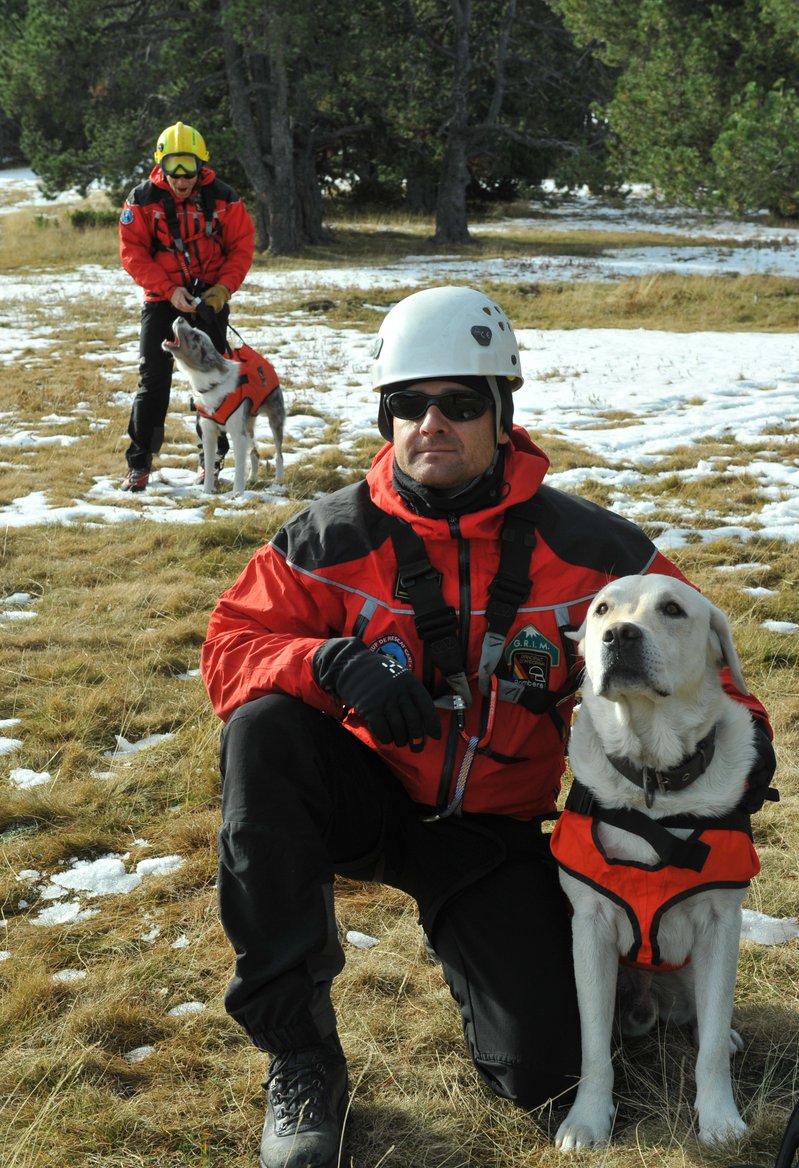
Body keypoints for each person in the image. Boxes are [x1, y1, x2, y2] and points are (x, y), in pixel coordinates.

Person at [200, 286, 776, 1168]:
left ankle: (501, 977)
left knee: (543, 1079)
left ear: (502, 415)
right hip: (365, 799)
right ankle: (301, 1057)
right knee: (264, 730)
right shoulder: (323, 539)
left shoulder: (596, 552)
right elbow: (230, 647)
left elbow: (700, 655)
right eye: (408, 404)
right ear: (385, 417)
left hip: (494, 832)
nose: (433, 423)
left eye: (461, 403)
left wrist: (752, 738)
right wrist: (323, 664)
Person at [118, 121, 255, 492]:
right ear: (160, 164)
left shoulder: (225, 198)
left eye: (189, 168)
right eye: (174, 167)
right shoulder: (142, 200)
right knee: (153, 382)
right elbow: (133, 254)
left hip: (209, 300)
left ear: (201, 164)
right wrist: (167, 290)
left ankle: (211, 459)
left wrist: (223, 289)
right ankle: (139, 464)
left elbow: (241, 248)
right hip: (162, 301)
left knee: (214, 381)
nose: (181, 178)